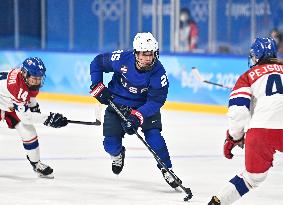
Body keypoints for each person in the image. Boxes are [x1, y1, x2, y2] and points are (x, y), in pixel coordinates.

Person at [89, 32, 182, 188]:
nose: (148, 58)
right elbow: (97, 62)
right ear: (136, 53)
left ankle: (168, 170)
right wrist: (97, 85)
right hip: (117, 103)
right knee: (110, 145)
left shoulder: (159, 73)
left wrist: (138, 115)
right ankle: (118, 154)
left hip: (144, 106)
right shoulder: (121, 59)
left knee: (154, 136)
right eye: (144, 54)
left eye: (151, 54)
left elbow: (156, 100)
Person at [208, 37, 283, 205]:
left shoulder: (247, 76)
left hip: (262, 131)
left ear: (256, 56)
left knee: (251, 179)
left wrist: (233, 137)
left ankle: (217, 202)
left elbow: (238, 113)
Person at [0, 57, 68, 178]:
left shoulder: (26, 80)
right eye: (34, 78)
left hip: (9, 102)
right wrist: (48, 119)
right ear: (25, 74)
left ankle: (36, 164)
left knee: (29, 133)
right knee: (27, 123)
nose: (37, 81)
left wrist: (35, 109)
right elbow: (25, 117)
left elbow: (30, 97)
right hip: (7, 101)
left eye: (39, 78)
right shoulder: (17, 87)